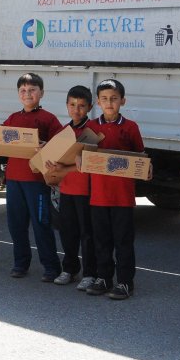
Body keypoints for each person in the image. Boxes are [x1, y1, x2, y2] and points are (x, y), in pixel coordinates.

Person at [85, 78, 147, 300]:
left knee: (123, 241)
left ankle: (124, 282)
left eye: (113, 99)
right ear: (98, 102)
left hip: (122, 197)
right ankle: (103, 278)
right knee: (101, 240)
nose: (109, 103)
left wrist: (145, 169)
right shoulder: (91, 127)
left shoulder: (130, 127)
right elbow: (82, 156)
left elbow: (141, 158)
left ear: (123, 100)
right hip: (98, 197)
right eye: (104, 99)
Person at [0, 73, 64, 281]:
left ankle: (51, 267)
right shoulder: (12, 118)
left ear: (41, 93)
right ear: (18, 94)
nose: (27, 94)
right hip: (14, 180)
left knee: (41, 224)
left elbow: (62, 146)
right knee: (16, 224)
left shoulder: (48, 118)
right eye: (23, 90)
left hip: (36, 182)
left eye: (32, 90)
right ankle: (20, 264)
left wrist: (47, 148)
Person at [46, 85, 97, 289]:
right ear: (67, 106)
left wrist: (64, 166)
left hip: (86, 190)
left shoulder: (92, 131)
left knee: (87, 234)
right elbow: (53, 159)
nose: (77, 110)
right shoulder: (63, 131)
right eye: (72, 105)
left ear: (90, 107)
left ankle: (90, 273)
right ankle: (69, 269)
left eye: (82, 106)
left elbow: (90, 162)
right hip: (65, 190)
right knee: (68, 232)